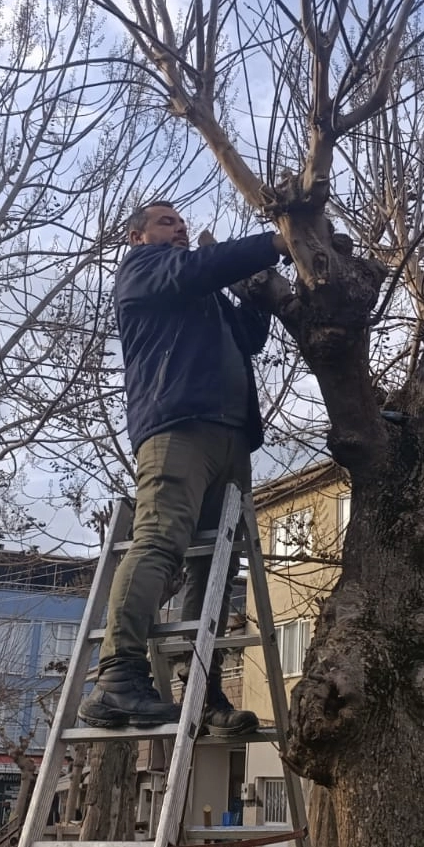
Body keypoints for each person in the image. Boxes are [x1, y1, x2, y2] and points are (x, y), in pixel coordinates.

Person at [78, 201, 287, 735]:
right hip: (178, 428)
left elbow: (251, 339)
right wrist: (273, 242)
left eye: (184, 224)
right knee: (160, 539)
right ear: (137, 236)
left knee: (214, 566)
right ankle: (117, 676)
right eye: (167, 222)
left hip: (231, 437)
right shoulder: (144, 271)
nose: (181, 230)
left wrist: (258, 291)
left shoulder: (203, 294)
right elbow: (198, 268)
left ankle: (205, 691)